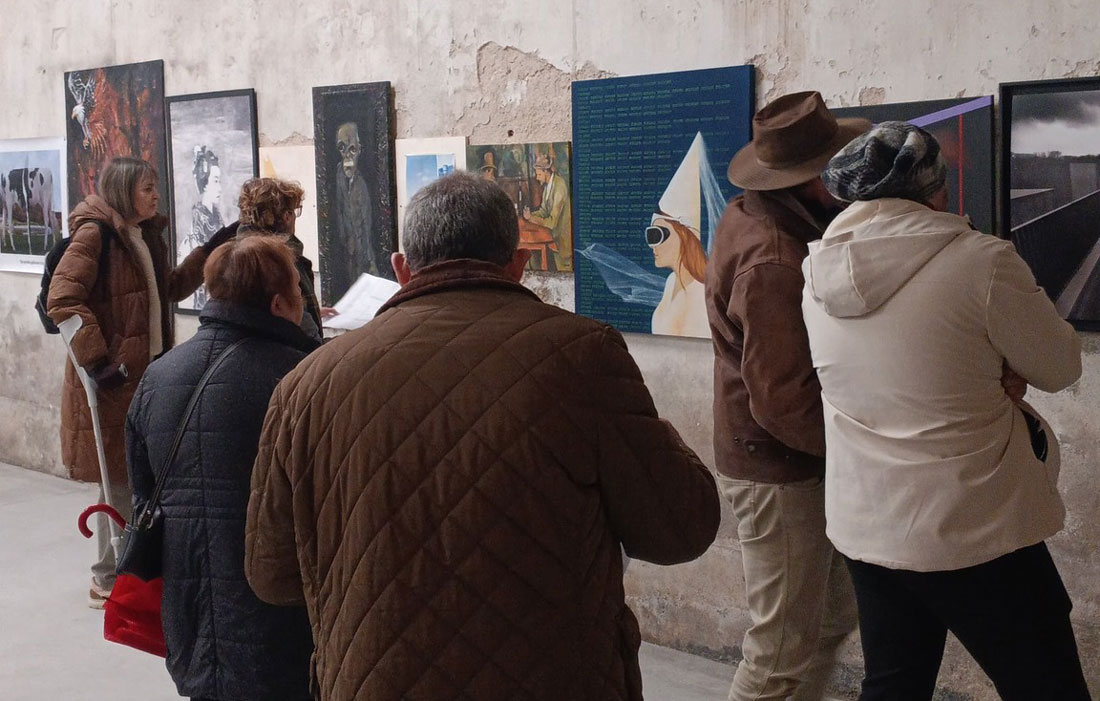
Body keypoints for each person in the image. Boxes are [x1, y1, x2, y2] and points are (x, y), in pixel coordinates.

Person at [245, 172, 721, 701]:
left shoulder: (306, 385)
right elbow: (681, 528)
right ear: (518, 265)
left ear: (402, 269)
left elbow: (273, 575)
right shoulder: (584, 355)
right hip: (554, 678)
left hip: (375, 680)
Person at [803, 121, 1089, 700]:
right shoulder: (982, 261)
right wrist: (1000, 367)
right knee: (1047, 686)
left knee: (895, 685)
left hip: (869, 522)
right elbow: (1060, 367)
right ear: (936, 190)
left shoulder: (817, 273)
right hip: (973, 523)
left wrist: (982, 367)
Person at [704, 91, 870, 700]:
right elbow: (781, 400)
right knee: (778, 651)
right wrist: (859, 450)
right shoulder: (773, 259)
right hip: (778, 468)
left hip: (792, 461)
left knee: (829, 620)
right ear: (812, 180)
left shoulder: (758, 214)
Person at [126, 236, 318, 701]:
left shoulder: (159, 375)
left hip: (189, 608)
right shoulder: (302, 380)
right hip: (280, 616)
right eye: (299, 290)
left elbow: (142, 489)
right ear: (279, 304)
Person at [46, 155, 232, 608]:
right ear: (124, 190)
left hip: (148, 374)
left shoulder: (145, 235)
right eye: (147, 188)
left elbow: (169, 288)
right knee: (118, 477)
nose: (155, 196)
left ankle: (131, 569)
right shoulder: (96, 235)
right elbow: (62, 297)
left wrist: (210, 250)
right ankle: (107, 578)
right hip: (113, 379)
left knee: (138, 475)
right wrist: (98, 361)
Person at [235, 177, 326, 342]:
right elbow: (308, 341)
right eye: (295, 210)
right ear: (287, 216)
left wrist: (310, 313)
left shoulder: (235, 257)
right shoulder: (281, 263)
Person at [183, 145, 224, 309]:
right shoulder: (197, 226)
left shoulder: (218, 220)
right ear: (205, 183)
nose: (220, 188)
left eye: (219, 181)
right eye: (216, 181)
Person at [522, 152, 572, 271]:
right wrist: (530, 214)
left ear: (546, 172)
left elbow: (552, 222)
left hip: (562, 244)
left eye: (539, 174)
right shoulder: (548, 186)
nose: (537, 177)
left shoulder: (559, 186)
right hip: (554, 239)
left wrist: (531, 218)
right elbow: (544, 211)